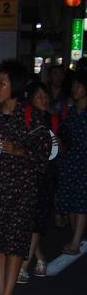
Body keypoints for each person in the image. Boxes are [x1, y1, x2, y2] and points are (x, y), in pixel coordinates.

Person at [0, 60, 51, 295]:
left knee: (15, 240)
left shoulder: (32, 116)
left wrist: (18, 150)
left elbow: (44, 155)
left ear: (15, 86)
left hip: (22, 188)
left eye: (2, 82)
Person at [17, 81, 60, 281]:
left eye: (46, 96)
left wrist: (59, 142)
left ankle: (24, 266)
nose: (44, 100)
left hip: (46, 174)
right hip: (25, 172)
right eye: (39, 96)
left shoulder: (54, 119)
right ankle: (40, 256)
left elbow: (63, 149)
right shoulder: (25, 118)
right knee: (25, 219)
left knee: (37, 220)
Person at [56, 71, 87, 255]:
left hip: (83, 161)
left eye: (79, 86)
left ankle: (76, 240)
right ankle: (77, 236)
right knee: (73, 201)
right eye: (74, 85)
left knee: (81, 201)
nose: (75, 89)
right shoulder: (71, 111)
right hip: (70, 160)